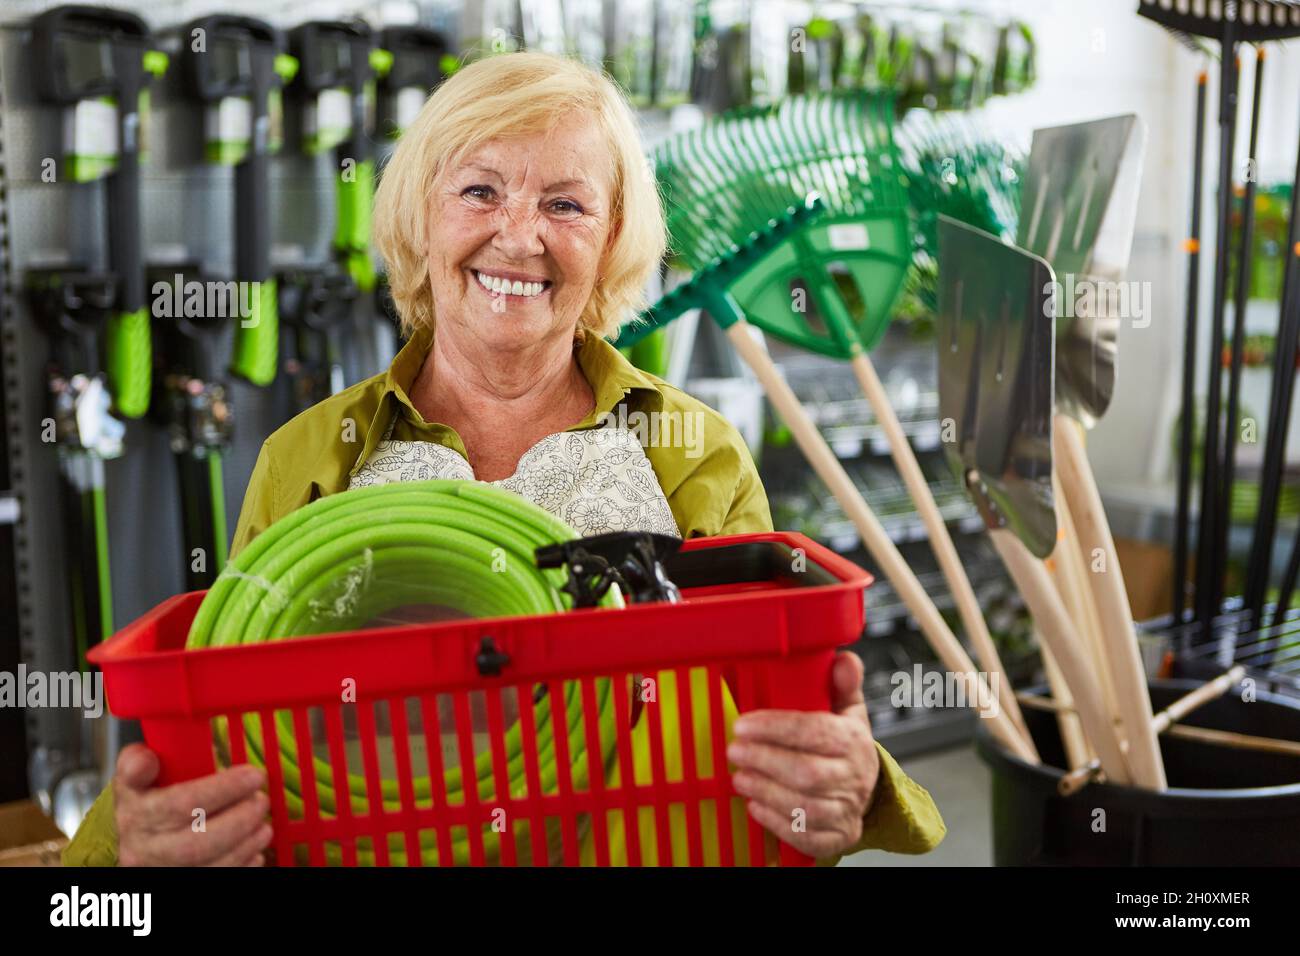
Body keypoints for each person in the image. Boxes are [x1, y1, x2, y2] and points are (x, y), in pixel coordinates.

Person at [64, 51, 944, 866]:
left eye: (566, 204)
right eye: (480, 191)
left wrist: (847, 785)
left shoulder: (690, 451)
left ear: (609, 242)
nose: (519, 237)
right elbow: (225, 710)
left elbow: (776, 715)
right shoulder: (311, 454)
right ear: (422, 213)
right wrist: (137, 838)